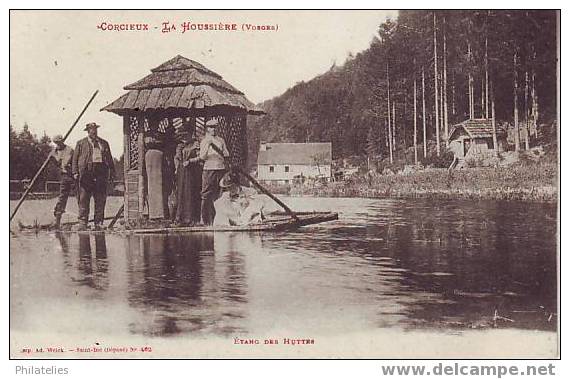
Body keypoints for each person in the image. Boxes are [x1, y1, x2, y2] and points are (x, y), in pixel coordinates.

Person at [72, 122, 115, 230]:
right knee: (84, 199)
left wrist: (112, 172)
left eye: (95, 129)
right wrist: (75, 172)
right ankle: (83, 222)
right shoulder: (81, 143)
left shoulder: (104, 143)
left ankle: (98, 223)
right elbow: (75, 159)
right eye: (91, 129)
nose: (94, 131)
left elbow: (109, 159)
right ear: (88, 131)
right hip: (86, 174)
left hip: (100, 173)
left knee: (100, 199)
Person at [199, 118, 229, 225]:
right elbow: (202, 156)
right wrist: (208, 145)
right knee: (206, 194)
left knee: (219, 194)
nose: (214, 130)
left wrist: (222, 152)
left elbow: (226, 154)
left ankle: (218, 219)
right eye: (211, 127)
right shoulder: (204, 141)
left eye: (215, 127)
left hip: (220, 168)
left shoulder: (221, 140)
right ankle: (204, 219)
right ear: (207, 129)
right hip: (209, 169)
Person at [174, 133, 202, 225]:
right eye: (183, 135)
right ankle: (179, 217)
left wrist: (190, 161)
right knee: (181, 192)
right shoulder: (179, 145)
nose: (185, 137)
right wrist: (177, 167)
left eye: (187, 135)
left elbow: (200, 157)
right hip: (181, 171)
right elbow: (177, 158)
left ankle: (190, 218)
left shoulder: (195, 144)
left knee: (190, 192)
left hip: (192, 170)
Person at [49, 135, 74, 229]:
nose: (57, 144)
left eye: (59, 142)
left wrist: (54, 156)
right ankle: (57, 221)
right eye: (56, 143)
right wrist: (53, 157)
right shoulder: (56, 151)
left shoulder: (69, 150)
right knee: (62, 198)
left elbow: (65, 162)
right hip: (64, 176)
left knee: (80, 197)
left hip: (73, 176)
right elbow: (57, 164)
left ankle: (83, 220)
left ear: (62, 141)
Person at [144, 129, 165, 220]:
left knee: (158, 187)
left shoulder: (159, 134)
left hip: (157, 157)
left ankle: (158, 213)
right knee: (151, 186)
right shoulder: (147, 134)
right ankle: (153, 213)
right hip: (151, 158)